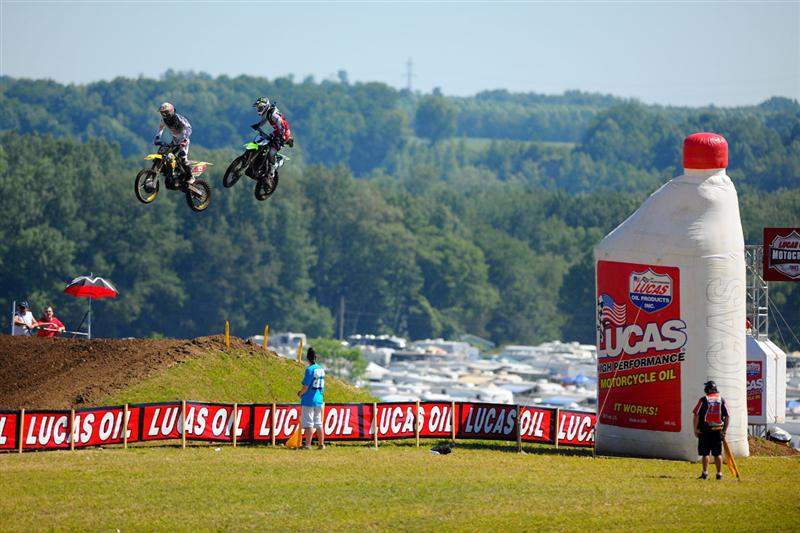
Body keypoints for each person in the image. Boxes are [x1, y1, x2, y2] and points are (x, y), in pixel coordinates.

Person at [693, 380, 730, 480]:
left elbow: (696, 415)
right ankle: (719, 474)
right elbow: (727, 416)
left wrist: (695, 430)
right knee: (717, 453)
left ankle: (705, 473)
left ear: (708, 389)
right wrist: (724, 431)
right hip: (718, 430)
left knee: (705, 453)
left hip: (705, 431)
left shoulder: (703, 400)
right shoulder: (721, 400)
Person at [251, 97, 293, 180]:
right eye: (258, 108)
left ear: (265, 106)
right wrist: (258, 125)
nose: (258, 109)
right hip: (277, 132)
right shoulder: (267, 112)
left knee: (271, 152)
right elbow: (264, 120)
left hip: (283, 133)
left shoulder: (273, 114)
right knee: (264, 143)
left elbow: (281, 123)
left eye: (260, 108)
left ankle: (272, 171)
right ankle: (261, 164)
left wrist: (282, 136)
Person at [153, 102, 194, 183]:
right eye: (162, 113)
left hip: (183, 141)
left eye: (165, 112)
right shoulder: (164, 120)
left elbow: (189, 128)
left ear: (171, 111)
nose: (164, 114)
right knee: (163, 153)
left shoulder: (178, 118)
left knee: (182, 158)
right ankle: (170, 173)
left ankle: (191, 176)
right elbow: (160, 128)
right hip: (175, 141)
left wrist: (185, 140)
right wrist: (157, 138)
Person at [297, 347, 325, 449]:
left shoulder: (309, 370)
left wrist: (300, 393)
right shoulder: (321, 369)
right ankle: (321, 444)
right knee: (318, 423)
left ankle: (308, 444)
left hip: (309, 399)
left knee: (309, 423)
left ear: (308, 358)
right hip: (319, 399)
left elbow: (306, 386)